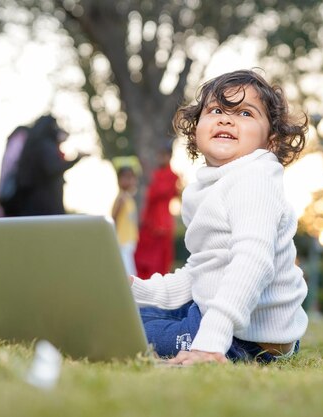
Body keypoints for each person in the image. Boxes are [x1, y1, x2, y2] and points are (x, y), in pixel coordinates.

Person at [129, 69, 309, 366]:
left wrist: (211, 342)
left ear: (271, 140)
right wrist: (138, 289)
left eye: (245, 113)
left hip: (248, 338)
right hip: (221, 318)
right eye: (216, 110)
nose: (226, 118)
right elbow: (203, 271)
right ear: (196, 127)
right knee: (125, 311)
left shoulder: (255, 179)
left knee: (131, 328)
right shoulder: (210, 187)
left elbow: (252, 262)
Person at [5, 114, 87, 216]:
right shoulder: (45, 145)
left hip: (32, 205)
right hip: (45, 205)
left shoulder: (33, 145)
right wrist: (76, 159)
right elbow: (53, 169)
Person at [134, 144, 180, 278]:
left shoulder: (172, 176)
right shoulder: (155, 174)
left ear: (170, 157)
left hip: (161, 223)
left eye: (164, 155)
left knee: (160, 263)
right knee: (143, 259)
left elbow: (160, 193)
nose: (161, 158)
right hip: (149, 222)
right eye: (159, 155)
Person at [112, 166, 139, 276]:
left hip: (129, 242)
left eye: (132, 177)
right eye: (126, 177)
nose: (131, 181)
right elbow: (114, 218)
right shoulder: (121, 199)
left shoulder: (128, 199)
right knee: (128, 275)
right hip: (122, 242)